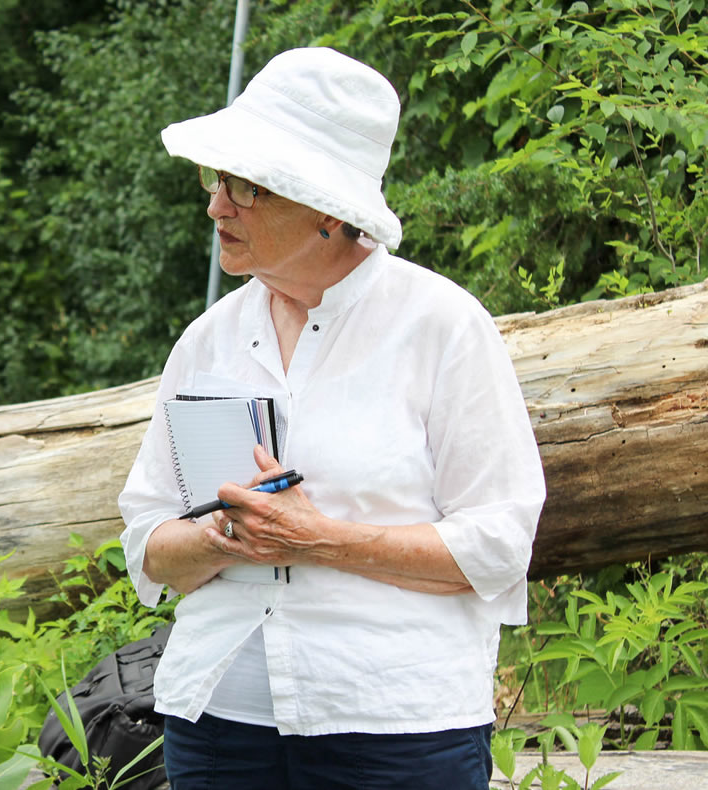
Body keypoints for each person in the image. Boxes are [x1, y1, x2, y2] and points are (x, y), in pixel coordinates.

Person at [117, 47, 546, 789]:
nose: (217, 203)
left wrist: (321, 540)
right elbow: (147, 545)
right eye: (214, 179)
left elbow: (499, 544)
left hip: (396, 729)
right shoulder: (209, 339)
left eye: (245, 187)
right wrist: (222, 535)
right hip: (219, 724)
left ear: (325, 208)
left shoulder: (441, 326)